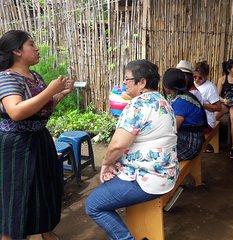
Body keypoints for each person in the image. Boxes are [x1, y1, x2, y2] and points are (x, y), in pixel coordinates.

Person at [85, 60, 178, 240]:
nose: (124, 84)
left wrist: (106, 164)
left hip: (149, 179)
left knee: (93, 205)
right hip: (166, 173)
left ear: (141, 82)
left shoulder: (138, 105)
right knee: (107, 187)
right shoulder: (162, 101)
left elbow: (118, 145)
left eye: (127, 79)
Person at [0, 30, 74, 240]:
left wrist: (59, 94)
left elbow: (41, 107)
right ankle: (12, 235)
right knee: (17, 192)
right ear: (16, 51)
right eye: (31, 44)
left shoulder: (34, 76)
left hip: (39, 139)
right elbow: (16, 112)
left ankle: (45, 229)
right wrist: (49, 91)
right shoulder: (6, 78)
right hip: (17, 145)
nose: (36, 48)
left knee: (45, 186)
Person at [163, 68, 206, 160]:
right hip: (184, 138)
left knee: (157, 157)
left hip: (189, 144)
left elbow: (172, 128)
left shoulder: (182, 102)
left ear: (167, 85)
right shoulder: (179, 96)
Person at [215, 59, 233, 159]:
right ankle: (211, 143)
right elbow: (217, 96)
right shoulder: (222, 79)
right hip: (225, 103)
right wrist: (224, 100)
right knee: (215, 116)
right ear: (229, 69)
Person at [193, 61, 221, 152]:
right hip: (197, 120)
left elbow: (218, 107)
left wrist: (202, 104)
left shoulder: (210, 88)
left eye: (200, 78)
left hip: (207, 123)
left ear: (206, 76)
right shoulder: (193, 84)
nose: (196, 80)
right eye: (194, 77)